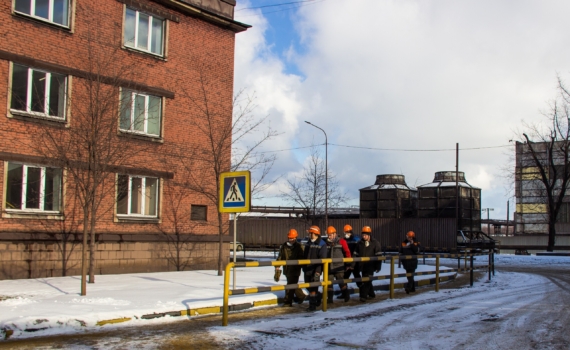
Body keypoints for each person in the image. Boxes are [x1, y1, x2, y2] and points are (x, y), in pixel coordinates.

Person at [275, 229, 306, 306]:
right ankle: (301, 296)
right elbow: (280, 257)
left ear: (296, 238)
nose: (291, 240)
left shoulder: (299, 247)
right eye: (290, 238)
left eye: (293, 238)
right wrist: (277, 266)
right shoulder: (284, 246)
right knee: (292, 284)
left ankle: (288, 301)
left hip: (295, 269)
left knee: (290, 285)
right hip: (287, 269)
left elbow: (302, 257)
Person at [353, 226, 382, 302]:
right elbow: (355, 254)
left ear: (369, 235)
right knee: (367, 280)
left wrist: (378, 266)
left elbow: (379, 255)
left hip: (371, 265)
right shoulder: (360, 243)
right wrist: (353, 264)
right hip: (362, 265)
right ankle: (371, 294)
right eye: (363, 235)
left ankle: (363, 296)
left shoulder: (375, 243)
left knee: (367, 280)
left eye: (365, 235)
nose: (364, 236)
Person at [303, 225, 327, 311]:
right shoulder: (308, 243)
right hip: (307, 269)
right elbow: (305, 256)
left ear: (315, 234)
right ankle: (318, 296)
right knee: (307, 285)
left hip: (315, 269)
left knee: (313, 287)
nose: (309, 234)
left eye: (310, 233)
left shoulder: (322, 244)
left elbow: (322, 259)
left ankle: (312, 306)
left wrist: (318, 271)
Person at [324, 226, 351, 303]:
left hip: (339, 266)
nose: (329, 236)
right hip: (329, 267)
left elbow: (347, 252)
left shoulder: (342, 241)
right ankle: (330, 299)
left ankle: (346, 296)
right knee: (329, 284)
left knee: (341, 283)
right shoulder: (326, 243)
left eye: (331, 234)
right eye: (328, 235)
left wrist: (348, 263)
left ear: (335, 234)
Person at [340, 224, 362, 297]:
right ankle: (344, 294)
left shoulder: (356, 240)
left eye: (346, 233)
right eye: (345, 233)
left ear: (350, 232)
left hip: (355, 262)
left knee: (357, 277)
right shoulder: (344, 240)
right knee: (345, 278)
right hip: (347, 262)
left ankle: (363, 293)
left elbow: (357, 252)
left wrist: (354, 262)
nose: (346, 234)